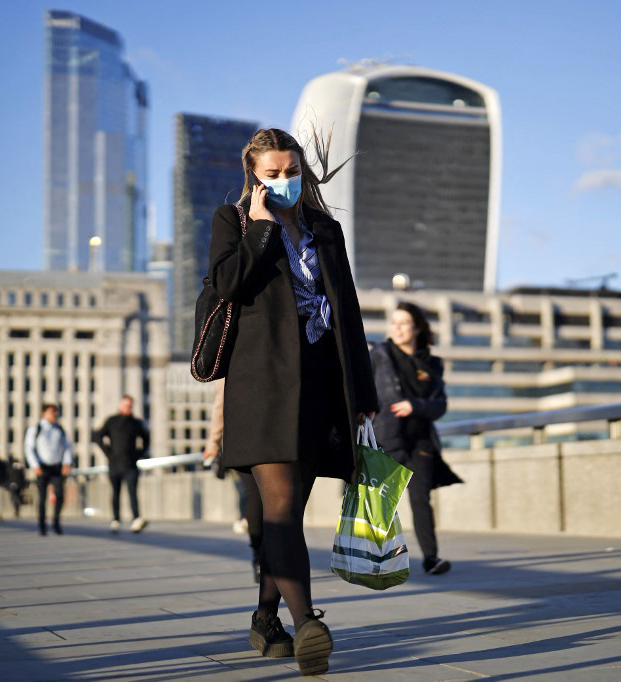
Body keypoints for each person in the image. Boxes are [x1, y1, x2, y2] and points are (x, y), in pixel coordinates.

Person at [206, 128, 378, 675]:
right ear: (253, 175)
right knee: (280, 512)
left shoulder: (325, 230)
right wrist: (259, 230)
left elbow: (347, 312)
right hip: (261, 387)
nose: (284, 181)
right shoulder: (231, 221)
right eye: (272, 174)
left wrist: (364, 395)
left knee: (285, 512)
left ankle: (265, 620)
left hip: (322, 386)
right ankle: (307, 624)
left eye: (291, 171)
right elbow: (228, 286)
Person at [370, 302, 462, 576]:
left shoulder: (432, 364)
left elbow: (440, 405)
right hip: (387, 436)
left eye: (403, 323)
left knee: (421, 500)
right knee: (382, 502)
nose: (396, 328)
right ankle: (375, 558)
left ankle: (431, 559)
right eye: (393, 323)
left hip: (420, 441)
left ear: (417, 328)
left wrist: (415, 406)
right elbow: (361, 388)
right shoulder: (381, 354)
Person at [202, 378, 263, 583]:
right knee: (257, 500)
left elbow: (221, 405)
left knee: (255, 499)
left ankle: (260, 556)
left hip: (242, 438)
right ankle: (262, 555)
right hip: (260, 437)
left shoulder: (232, 359)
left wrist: (213, 443)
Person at [94, 395, 149, 533]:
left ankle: (136, 519)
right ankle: (116, 520)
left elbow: (146, 439)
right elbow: (97, 436)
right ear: (120, 406)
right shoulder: (112, 421)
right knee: (115, 493)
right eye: (125, 405)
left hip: (131, 465)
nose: (128, 408)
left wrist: (138, 454)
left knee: (132, 492)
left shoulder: (136, 423)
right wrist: (108, 453)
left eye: (130, 406)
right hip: (114, 464)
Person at [24, 404, 73, 536]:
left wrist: (67, 463)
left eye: (56, 412)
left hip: (57, 467)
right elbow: (29, 449)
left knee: (60, 495)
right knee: (42, 497)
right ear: (44, 413)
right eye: (52, 412)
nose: (54, 415)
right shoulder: (36, 429)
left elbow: (67, 447)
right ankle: (42, 525)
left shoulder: (59, 429)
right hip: (42, 467)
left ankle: (56, 522)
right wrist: (35, 465)